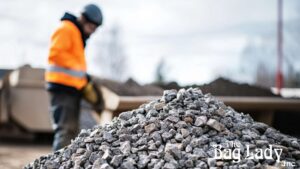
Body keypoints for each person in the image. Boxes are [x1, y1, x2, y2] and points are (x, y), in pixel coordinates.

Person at [45, 4, 104, 151]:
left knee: (71, 131)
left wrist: (84, 80)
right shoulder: (66, 28)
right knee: (65, 130)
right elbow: (56, 54)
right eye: (91, 27)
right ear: (83, 19)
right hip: (62, 87)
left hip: (71, 88)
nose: (92, 32)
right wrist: (80, 72)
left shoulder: (76, 33)